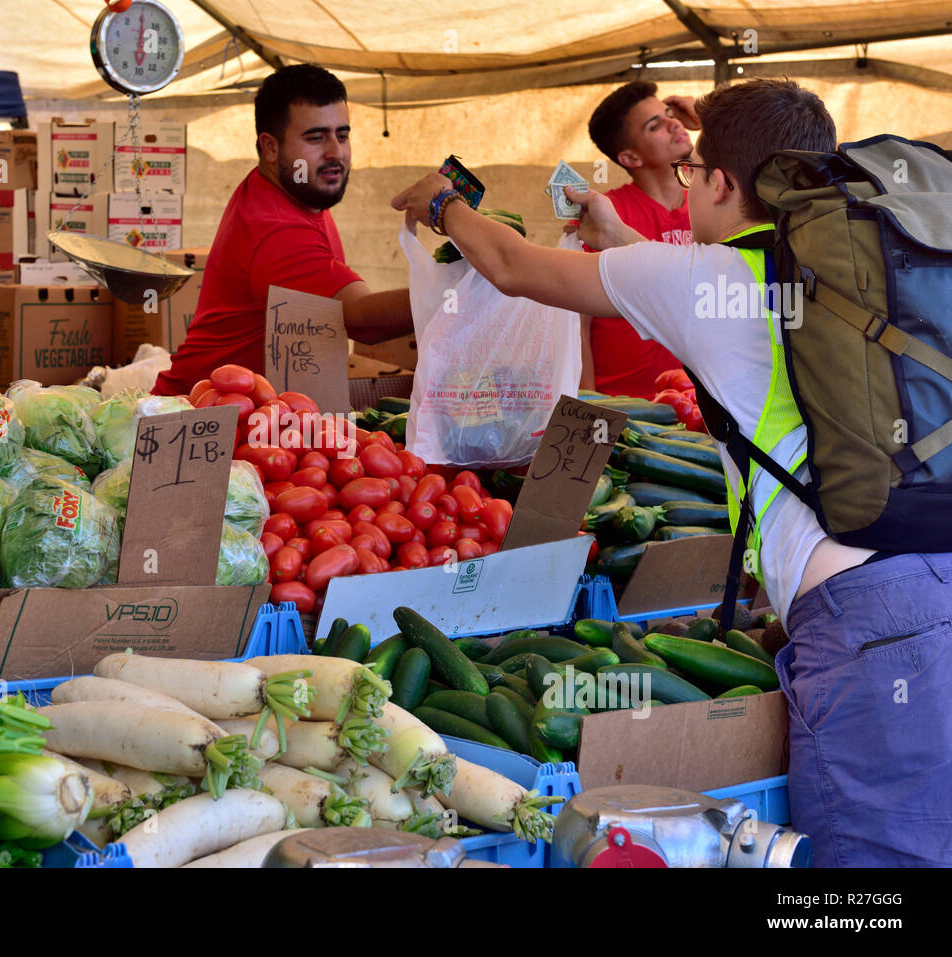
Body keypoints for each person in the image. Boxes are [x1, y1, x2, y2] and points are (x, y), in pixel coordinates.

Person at [392, 77, 952, 867]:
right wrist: (615, 228)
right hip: (932, 580)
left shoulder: (710, 279)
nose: (687, 183)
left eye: (696, 173)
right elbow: (679, 289)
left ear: (721, 183)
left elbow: (513, 266)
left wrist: (442, 201)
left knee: (869, 880)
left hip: (866, 626)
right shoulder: (845, 282)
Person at [153, 65, 411, 396]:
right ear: (270, 147)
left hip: (249, 419)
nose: (336, 152)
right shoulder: (276, 228)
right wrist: (459, 289)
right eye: (316, 138)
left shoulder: (295, 191)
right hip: (193, 427)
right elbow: (363, 322)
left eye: (342, 135)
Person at [577, 81, 698, 398]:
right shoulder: (603, 215)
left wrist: (708, 119)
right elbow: (577, 322)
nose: (675, 123)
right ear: (630, 158)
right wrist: (587, 406)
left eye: (670, 113)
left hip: (700, 411)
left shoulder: (712, 205)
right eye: (656, 125)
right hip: (628, 414)